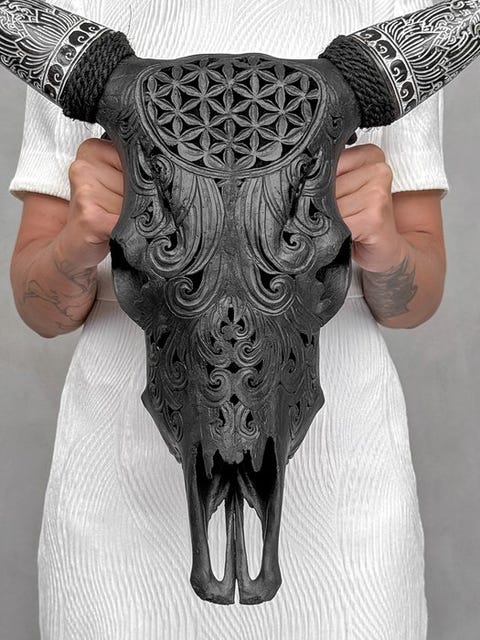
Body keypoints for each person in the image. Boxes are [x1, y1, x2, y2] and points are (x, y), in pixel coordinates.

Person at [8, 0, 449, 638]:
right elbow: (40, 310)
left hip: (345, 499)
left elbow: (416, 302)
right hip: (117, 503)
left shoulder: (398, 4)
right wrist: (80, 236)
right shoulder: (75, 5)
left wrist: (382, 241)